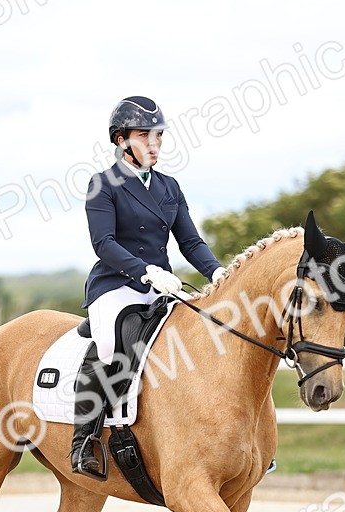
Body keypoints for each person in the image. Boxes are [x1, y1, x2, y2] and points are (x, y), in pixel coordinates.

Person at [70, 95, 228, 478]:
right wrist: (145, 271)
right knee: (111, 345)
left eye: (158, 135)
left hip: (162, 286)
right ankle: (84, 441)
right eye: (144, 135)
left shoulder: (169, 187)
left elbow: (190, 242)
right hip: (116, 285)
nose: (154, 143)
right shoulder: (103, 184)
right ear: (121, 139)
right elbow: (104, 243)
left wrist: (218, 273)